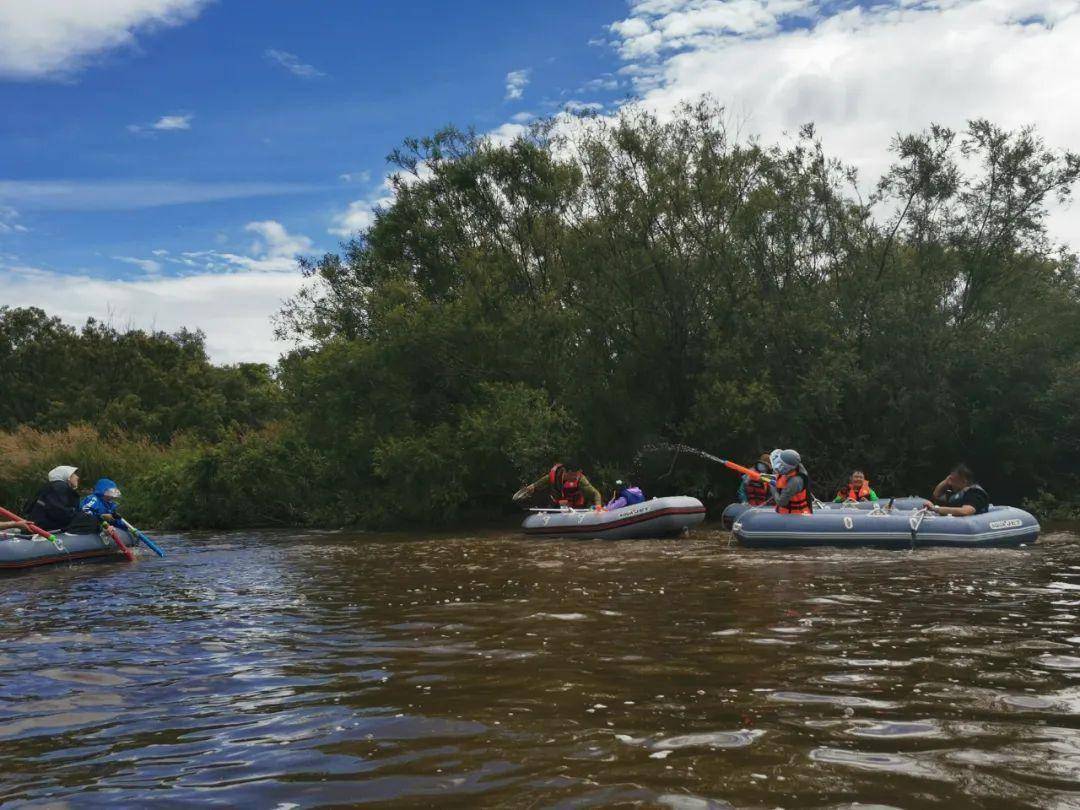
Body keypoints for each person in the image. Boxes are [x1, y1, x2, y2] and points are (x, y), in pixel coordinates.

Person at [515, 463, 603, 509]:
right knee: (549, 500)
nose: (576, 478)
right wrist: (531, 488)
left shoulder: (581, 479)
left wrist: (598, 505)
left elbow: (595, 493)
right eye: (574, 475)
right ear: (566, 472)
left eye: (577, 475)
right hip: (558, 504)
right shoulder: (552, 476)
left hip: (577, 506)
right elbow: (537, 485)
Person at [24, 465, 85, 532]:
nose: (77, 477)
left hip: (36, 526)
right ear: (68, 477)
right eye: (74, 474)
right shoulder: (60, 488)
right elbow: (60, 512)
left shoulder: (47, 487)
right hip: (47, 529)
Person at [925, 463, 990, 516]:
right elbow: (936, 495)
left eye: (953, 480)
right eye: (949, 479)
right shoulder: (956, 493)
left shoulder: (975, 493)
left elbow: (966, 511)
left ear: (964, 481)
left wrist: (936, 509)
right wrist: (946, 480)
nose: (949, 483)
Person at [770, 449, 813, 514]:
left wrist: (772, 486)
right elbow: (779, 477)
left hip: (795, 516)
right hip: (784, 514)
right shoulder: (790, 470)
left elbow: (781, 502)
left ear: (786, 467)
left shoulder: (795, 481)